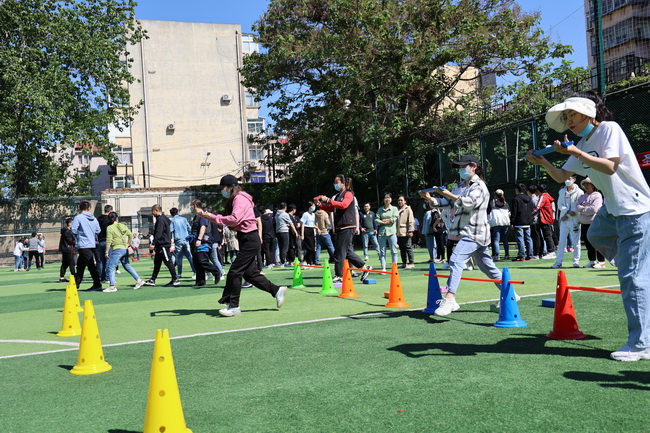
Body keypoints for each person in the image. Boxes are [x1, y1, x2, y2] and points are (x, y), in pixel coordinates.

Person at [527, 91, 650, 361]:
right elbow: (562, 175)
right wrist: (544, 161)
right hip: (612, 209)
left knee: (632, 279)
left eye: (572, 114)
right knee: (595, 234)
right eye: (565, 116)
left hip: (634, 209)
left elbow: (609, 167)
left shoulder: (608, 129)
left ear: (588, 112)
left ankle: (642, 344)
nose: (568, 120)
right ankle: (638, 268)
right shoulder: (582, 142)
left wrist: (576, 151)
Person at [420, 154, 504, 316]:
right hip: (467, 232)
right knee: (486, 267)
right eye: (459, 167)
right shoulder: (460, 185)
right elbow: (450, 203)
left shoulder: (479, 186)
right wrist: (431, 199)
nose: (460, 170)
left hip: (475, 232)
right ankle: (510, 292)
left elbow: (468, 203)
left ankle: (450, 298)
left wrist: (447, 194)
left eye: (463, 166)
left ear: (474, 167)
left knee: (456, 259)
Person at [198, 175, 287, 317]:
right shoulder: (240, 198)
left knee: (235, 271)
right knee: (250, 274)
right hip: (247, 238)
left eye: (223, 188)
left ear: (230, 187)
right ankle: (276, 290)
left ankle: (234, 306)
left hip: (249, 239)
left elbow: (234, 219)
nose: (223, 192)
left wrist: (212, 217)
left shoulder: (239, 198)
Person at [315, 174, 372, 282]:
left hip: (348, 226)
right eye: (334, 183)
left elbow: (344, 205)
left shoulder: (348, 194)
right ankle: (365, 268)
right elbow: (332, 208)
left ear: (343, 183)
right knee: (347, 251)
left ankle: (339, 275)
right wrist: (320, 205)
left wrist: (328, 200)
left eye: (337, 182)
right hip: (341, 226)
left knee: (339, 252)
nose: (335, 184)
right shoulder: (337, 196)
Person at [103, 212, 145, 292]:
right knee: (127, 265)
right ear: (116, 218)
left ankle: (112, 286)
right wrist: (128, 244)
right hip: (124, 249)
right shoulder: (122, 225)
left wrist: (106, 252)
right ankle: (139, 280)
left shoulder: (109, 228)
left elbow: (109, 241)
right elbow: (130, 234)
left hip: (117, 249)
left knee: (111, 267)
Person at [551, 175, 583, 268]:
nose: (567, 180)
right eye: (565, 178)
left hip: (575, 220)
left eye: (569, 178)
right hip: (564, 220)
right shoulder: (562, 191)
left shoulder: (580, 192)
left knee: (576, 242)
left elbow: (577, 207)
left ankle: (576, 262)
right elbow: (560, 204)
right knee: (561, 242)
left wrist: (568, 215)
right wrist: (566, 213)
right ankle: (558, 262)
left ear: (574, 179)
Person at [144, 204, 179, 287]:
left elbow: (159, 232)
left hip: (163, 244)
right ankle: (152, 279)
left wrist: (153, 243)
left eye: (153, 211)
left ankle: (175, 279)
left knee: (168, 261)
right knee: (157, 262)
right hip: (161, 244)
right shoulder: (164, 218)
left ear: (156, 210)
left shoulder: (160, 219)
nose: (152, 213)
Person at [189, 200, 222, 287]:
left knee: (202, 261)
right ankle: (200, 281)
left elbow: (203, 227)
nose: (190, 207)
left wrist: (199, 239)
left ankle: (216, 271)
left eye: (191, 205)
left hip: (203, 242)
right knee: (197, 262)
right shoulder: (196, 216)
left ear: (195, 205)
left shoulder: (202, 215)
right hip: (195, 241)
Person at [71, 200, 102, 291]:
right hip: (91, 243)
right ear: (89, 208)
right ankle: (76, 284)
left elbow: (73, 230)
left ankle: (97, 284)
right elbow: (98, 230)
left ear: (79, 208)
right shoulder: (94, 218)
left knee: (91, 265)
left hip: (83, 244)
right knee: (80, 265)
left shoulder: (78, 217)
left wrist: (79, 234)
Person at [576, 177, 605, 268]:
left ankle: (601, 261)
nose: (586, 186)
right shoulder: (582, 196)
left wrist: (583, 210)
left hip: (595, 222)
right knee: (587, 242)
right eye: (585, 184)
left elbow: (594, 209)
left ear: (593, 185)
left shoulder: (597, 195)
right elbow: (577, 207)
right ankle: (592, 261)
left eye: (588, 184)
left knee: (597, 241)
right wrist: (585, 209)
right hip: (584, 222)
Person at [170, 207, 196, 279]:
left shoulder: (173, 221)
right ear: (177, 212)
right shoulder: (184, 219)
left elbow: (171, 230)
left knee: (179, 257)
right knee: (189, 256)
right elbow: (189, 228)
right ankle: (195, 272)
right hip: (186, 239)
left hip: (178, 240)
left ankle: (179, 273)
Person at [510, 183, 534, 261]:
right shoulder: (529, 198)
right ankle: (530, 255)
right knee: (528, 238)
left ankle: (521, 255)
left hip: (519, 222)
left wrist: (512, 222)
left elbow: (514, 211)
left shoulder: (515, 199)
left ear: (517, 190)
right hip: (528, 221)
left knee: (520, 239)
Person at [375, 192, 399, 272]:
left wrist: (385, 221)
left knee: (394, 251)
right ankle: (383, 268)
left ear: (391, 199)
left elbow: (394, 219)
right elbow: (376, 220)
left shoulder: (394, 209)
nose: (387, 199)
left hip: (392, 232)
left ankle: (394, 268)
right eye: (385, 198)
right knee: (382, 252)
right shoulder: (380, 209)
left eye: (389, 197)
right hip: (382, 233)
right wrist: (383, 222)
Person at [533, 184, 556, 259]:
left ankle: (551, 252)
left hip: (545, 219)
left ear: (539, 190)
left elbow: (538, 207)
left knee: (547, 236)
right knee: (548, 235)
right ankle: (551, 251)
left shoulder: (543, 196)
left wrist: (529, 214)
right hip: (549, 218)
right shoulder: (548, 196)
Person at [487, 189, 510, 261]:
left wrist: (489, 223)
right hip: (505, 223)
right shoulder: (505, 203)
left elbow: (488, 214)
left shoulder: (492, 203)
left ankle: (497, 256)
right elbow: (509, 213)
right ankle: (507, 255)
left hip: (496, 223)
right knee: (505, 240)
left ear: (495, 195)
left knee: (496, 240)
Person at [396, 195, 415, 268]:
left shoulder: (408, 209)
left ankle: (411, 263)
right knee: (401, 248)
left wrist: (410, 230)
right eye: (399, 200)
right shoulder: (396, 209)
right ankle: (404, 263)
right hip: (398, 232)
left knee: (408, 247)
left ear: (405, 201)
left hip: (406, 231)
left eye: (401, 200)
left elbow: (411, 221)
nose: (400, 201)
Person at [275, 202, 296, 267]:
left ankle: (282, 261)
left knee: (281, 247)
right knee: (285, 248)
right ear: (285, 207)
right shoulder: (285, 214)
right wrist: (295, 232)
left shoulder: (277, 214)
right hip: (284, 231)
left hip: (278, 231)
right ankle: (283, 262)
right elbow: (291, 223)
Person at [96, 204, 113, 283]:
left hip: (100, 241)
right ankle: (107, 277)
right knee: (108, 260)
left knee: (101, 261)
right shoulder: (109, 220)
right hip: (107, 241)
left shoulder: (98, 219)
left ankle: (102, 277)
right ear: (110, 211)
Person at [58, 218, 76, 282]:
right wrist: (75, 242)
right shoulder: (66, 231)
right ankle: (74, 276)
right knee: (71, 263)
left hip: (66, 249)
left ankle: (62, 277)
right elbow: (69, 240)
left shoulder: (67, 230)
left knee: (65, 263)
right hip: (68, 249)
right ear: (69, 223)